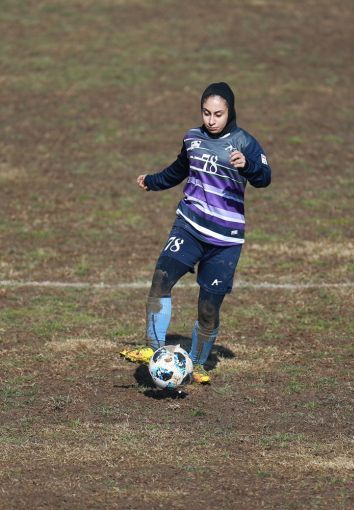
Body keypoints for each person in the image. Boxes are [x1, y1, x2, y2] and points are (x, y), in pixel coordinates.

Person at [120, 82, 271, 384]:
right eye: (206, 113)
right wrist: (152, 181)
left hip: (225, 240)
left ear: (230, 112)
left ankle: (198, 364)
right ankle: (153, 349)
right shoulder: (192, 138)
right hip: (189, 225)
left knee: (208, 308)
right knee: (161, 279)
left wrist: (248, 166)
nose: (211, 120)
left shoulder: (245, 142)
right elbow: (178, 170)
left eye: (218, 114)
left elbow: (264, 178)